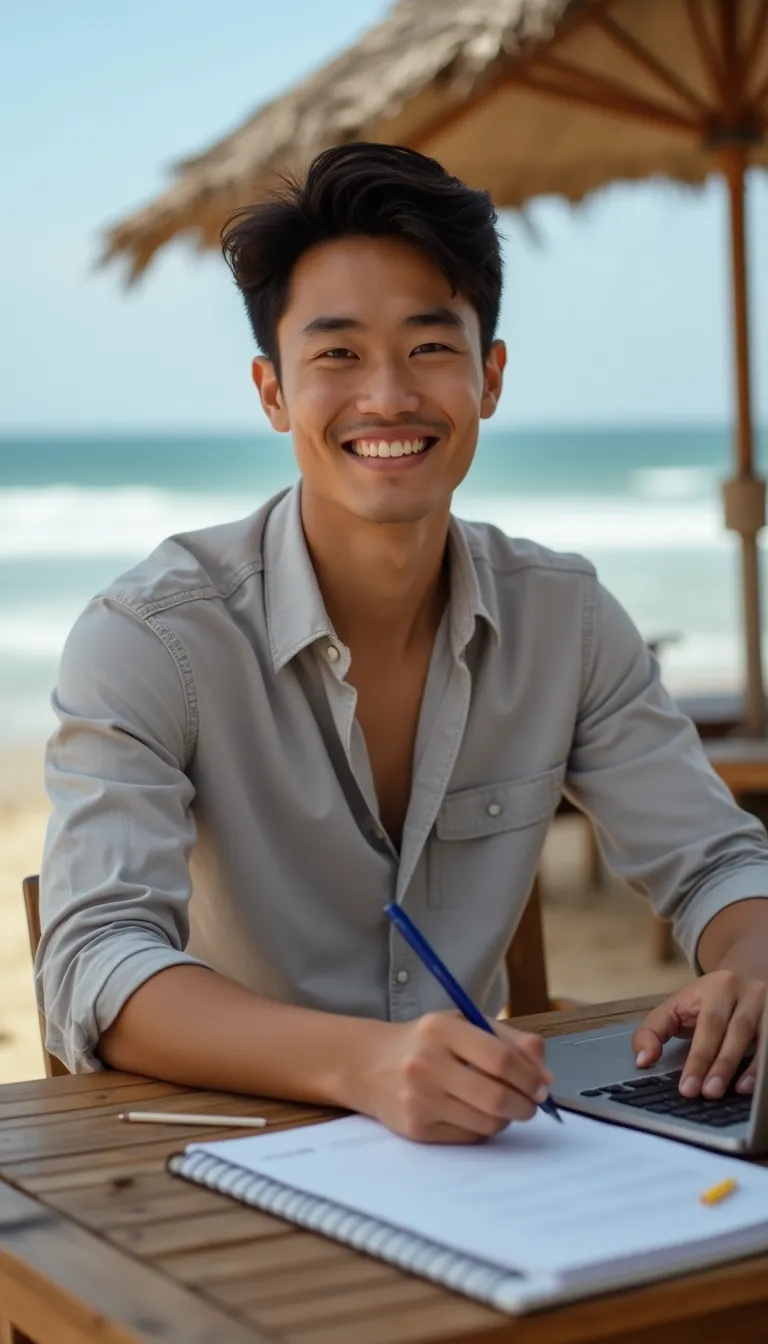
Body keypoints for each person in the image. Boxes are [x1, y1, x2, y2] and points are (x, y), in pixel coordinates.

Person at [37, 143, 768, 1144]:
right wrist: (366, 1065)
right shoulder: (150, 639)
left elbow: (717, 863)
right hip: (214, 1151)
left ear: (490, 375)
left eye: (430, 346)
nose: (387, 396)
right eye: (336, 353)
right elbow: (95, 963)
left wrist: (752, 976)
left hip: (487, 1150)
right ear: (272, 393)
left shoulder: (569, 618)